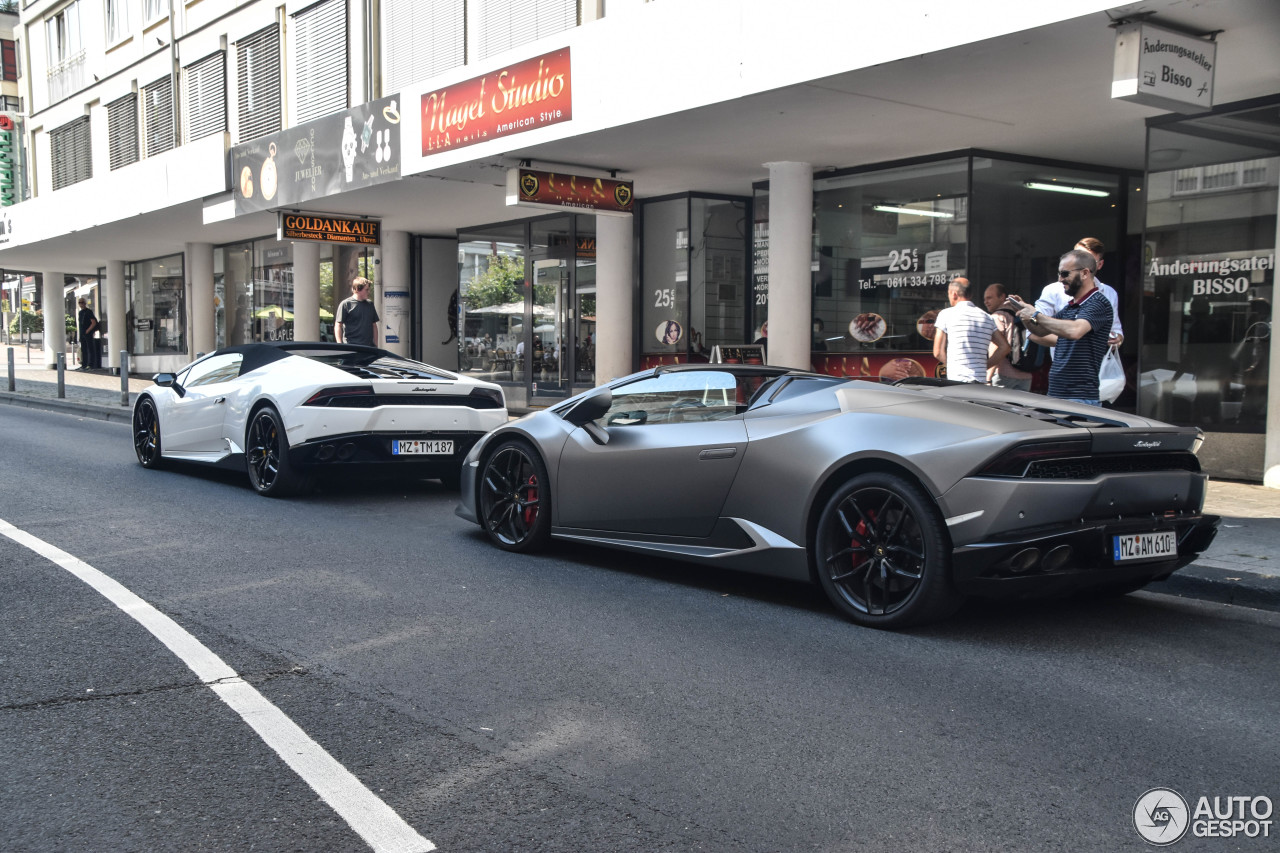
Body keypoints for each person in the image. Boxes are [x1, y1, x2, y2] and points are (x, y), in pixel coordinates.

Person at [1009, 249, 1112, 405]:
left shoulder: (1098, 303)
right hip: (1058, 393)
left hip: (1080, 396)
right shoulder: (1070, 307)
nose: (1060, 280)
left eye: (1065, 274)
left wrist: (1035, 315)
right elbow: (1040, 331)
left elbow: (1075, 331)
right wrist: (1024, 313)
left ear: (1085, 273)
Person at [1035, 237, 1123, 346]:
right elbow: (1036, 331)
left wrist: (1117, 339)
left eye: (1089, 261)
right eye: (1078, 259)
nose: (1082, 266)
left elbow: (1116, 330)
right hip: (1065, 361)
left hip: (1102, 362)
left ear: (1099, 265)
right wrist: (1030, 314)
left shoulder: (1106, 295)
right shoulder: (1054, 291)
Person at [933, 277, 1010, 383]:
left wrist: (952, 366)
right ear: (970, 295)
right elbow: (1004, 347)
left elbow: (937, 352)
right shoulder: (987, 317)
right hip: (980, 380)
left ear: (954, 294)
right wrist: (984, 366)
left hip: (957, 380)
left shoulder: (946, 314)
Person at [983, 283, 1033, 391]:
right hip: (1026, 375)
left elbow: (995, 348)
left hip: (1003, 376)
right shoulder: (1021, 314)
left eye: (989, 298)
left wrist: (988, 377)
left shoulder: (998, 317)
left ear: (1002, 297)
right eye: (985, 299)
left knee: (996, 408)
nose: (986, 302)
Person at [335, 277, 379, 346]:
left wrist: (376, 345)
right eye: (366, 290)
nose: (368, 292)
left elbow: (374, 326)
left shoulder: (370, 304)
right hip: (351, 346)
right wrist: (340, 345)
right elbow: (338, 325)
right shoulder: (346, 304)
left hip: (368, 347)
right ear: (358, 289)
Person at [76, 297, 101, 370]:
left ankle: (91, 364)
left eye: (82, 302)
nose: (81, 304)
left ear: (85, 303)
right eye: (79, 303)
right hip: (82, 333)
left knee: (90, 349)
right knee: (84, 349)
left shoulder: (89, 312)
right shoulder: (80, 313)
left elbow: (93, 322)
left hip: (88, 333)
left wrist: (88, 330)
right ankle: (84, 364)